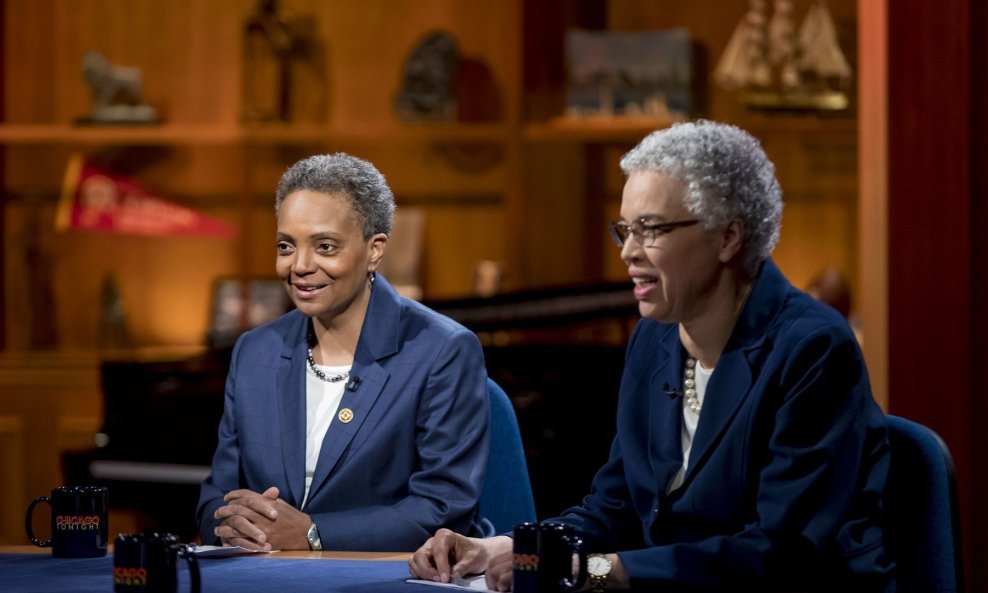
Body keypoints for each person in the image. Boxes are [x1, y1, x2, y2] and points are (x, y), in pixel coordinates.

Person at [409, 120, 893, 591]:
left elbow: (780, 554)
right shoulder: (655, 338)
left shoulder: (812, 349)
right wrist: (513, 549)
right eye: (625, 230)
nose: (628, 253)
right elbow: (615, 507)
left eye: (651, 230)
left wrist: (598, 573)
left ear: (727, 237)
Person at [196, 153, 491, 551]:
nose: (299, 265)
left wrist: (314, 535)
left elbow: (443, 507)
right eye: (286, 246)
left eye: (325, 246)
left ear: (374, 250)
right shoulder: (255, 351)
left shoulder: (441, 350)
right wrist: (231, 523)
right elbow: (216, 496)